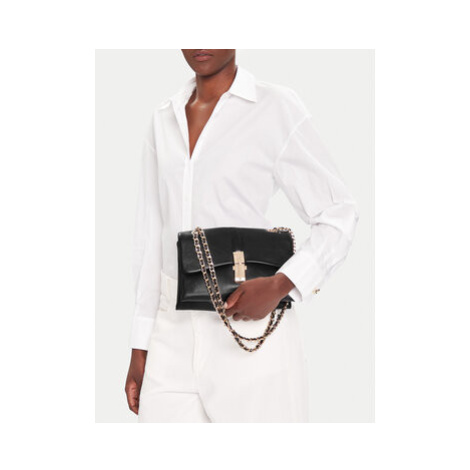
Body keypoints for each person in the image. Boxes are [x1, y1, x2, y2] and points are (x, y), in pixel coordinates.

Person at [125, 49, 359, 423]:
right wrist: (140, 343)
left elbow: (338, 213)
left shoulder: (275, 107)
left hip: (250, 327)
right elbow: (151, 235)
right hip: (171, 335)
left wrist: (282, 284)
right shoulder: (163, 118)